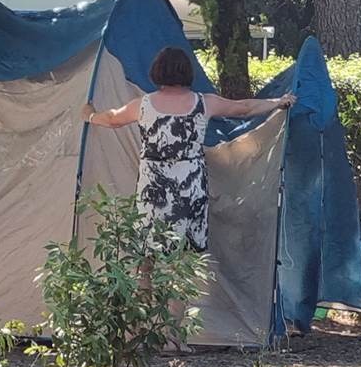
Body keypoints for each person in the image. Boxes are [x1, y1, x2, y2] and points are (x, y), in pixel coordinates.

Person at [80, 46, 296, 252]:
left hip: (154, 189)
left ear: (157, 71)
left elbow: (112, 119)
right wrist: (278, 101)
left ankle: (145, 291)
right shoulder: (204, 103)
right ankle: (181, 289)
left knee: (147, 251)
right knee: (186, 254)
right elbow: (243, 108)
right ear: (187, 72)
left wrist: (89, 114)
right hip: (190, 187)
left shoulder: (143, 105)